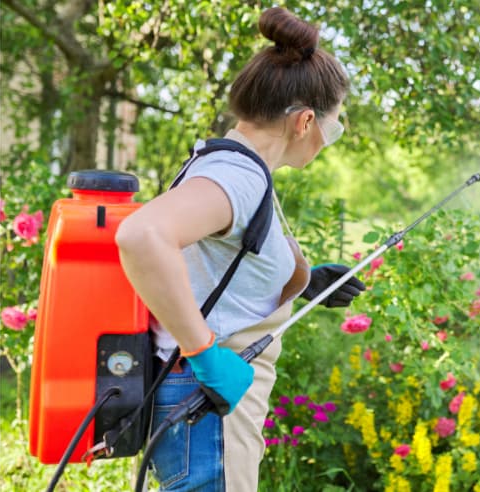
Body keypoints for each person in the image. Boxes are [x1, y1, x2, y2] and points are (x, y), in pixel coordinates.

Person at [115, 7, 364, 491]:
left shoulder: (232, 167)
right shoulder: (239, 177)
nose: (326, 142)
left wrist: (303, 282)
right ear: (305, 121)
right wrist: (204, 353)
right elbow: (142, 235)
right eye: (332, 130)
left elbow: (210, 267)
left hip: (199, 408)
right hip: (205, 406)